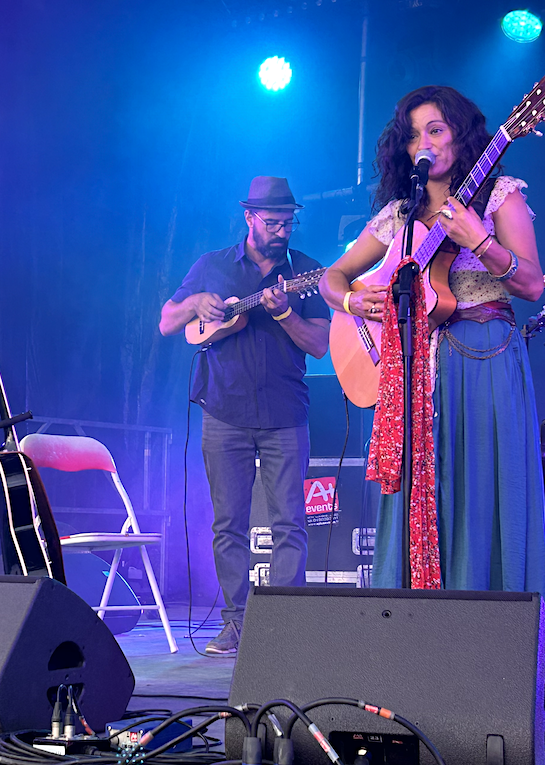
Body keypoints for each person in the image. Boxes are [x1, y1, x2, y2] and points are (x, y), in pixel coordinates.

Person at [320, 86, 545, 616]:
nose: (423, 143)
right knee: (418, 491)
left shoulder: (498, 196)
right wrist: (353, 301)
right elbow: (334, 278)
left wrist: (478, 241)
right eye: (413, 135)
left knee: (479, 488)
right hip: (414, 372)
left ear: (461, 134)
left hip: (483, 357)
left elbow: (533, 285)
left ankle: (486, 625)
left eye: (436, 130)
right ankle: (413, 624)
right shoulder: (400, 218)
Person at [159, 176, 330, 655]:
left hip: (284, 411)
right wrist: (196, 302)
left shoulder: (307, 272)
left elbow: (319, 344)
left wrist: (284, 314)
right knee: (227, 524)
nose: (282, 231)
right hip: (223, 410)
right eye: (273, 222)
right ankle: (236, 623)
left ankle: (282, 626)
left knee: (289, 522)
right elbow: (168, 322)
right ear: (250, 217)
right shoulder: (212, 265)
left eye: (288, 223)